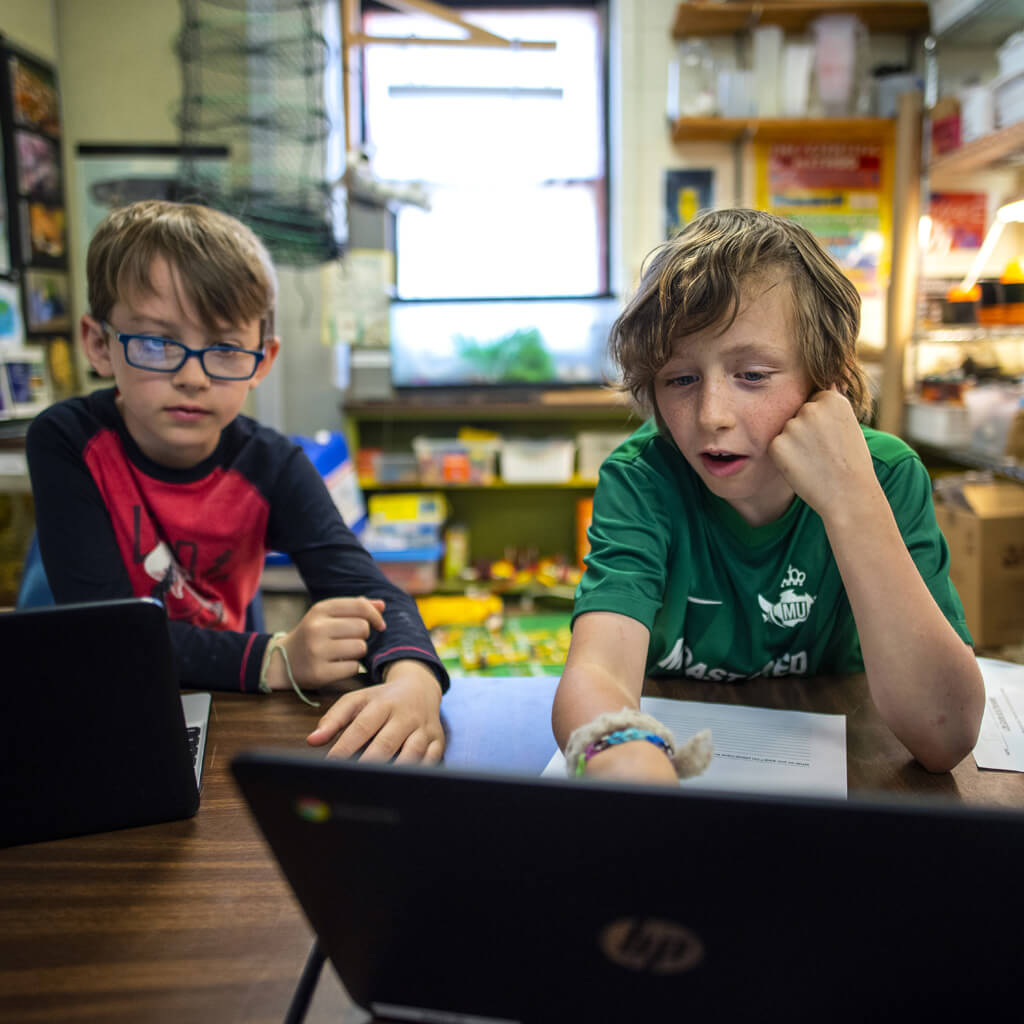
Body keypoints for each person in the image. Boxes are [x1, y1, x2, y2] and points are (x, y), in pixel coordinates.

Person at [553, 208, 985, 784]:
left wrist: (849, 499)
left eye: (753, 375)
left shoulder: (885, 475)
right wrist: (628, 756)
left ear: (824, 383)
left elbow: (945, 734)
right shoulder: (642, 480)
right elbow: (597, 670)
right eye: (680, 380)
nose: (712, 416)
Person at [26, 199, 448, 762]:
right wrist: (278, 657)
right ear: (100, 344)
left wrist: (414, 680)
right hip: (93, 708)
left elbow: (365, 586)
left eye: (225, 348)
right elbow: (108, 639)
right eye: (155, 341)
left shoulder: (273, 464)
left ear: (262, 358)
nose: (193, 376)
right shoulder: (67, 441)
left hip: (220, 711)